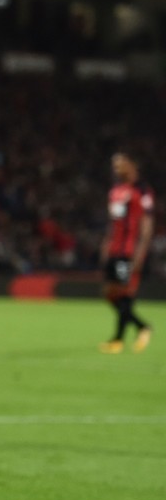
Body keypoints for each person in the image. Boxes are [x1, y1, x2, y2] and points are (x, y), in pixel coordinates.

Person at [98, 151, 154, 354]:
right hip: (114, 250)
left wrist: (140, 253)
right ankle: (142, 326)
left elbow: (146, 225)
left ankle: (118, 340)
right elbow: (113, 223)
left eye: (120, 164)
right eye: (114, 165)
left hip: (128, 251)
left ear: (132, 165)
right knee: (109, 293)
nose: (116, 168)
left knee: (124, 292)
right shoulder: (115, 191)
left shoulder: (142, 191)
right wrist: (105, 245)